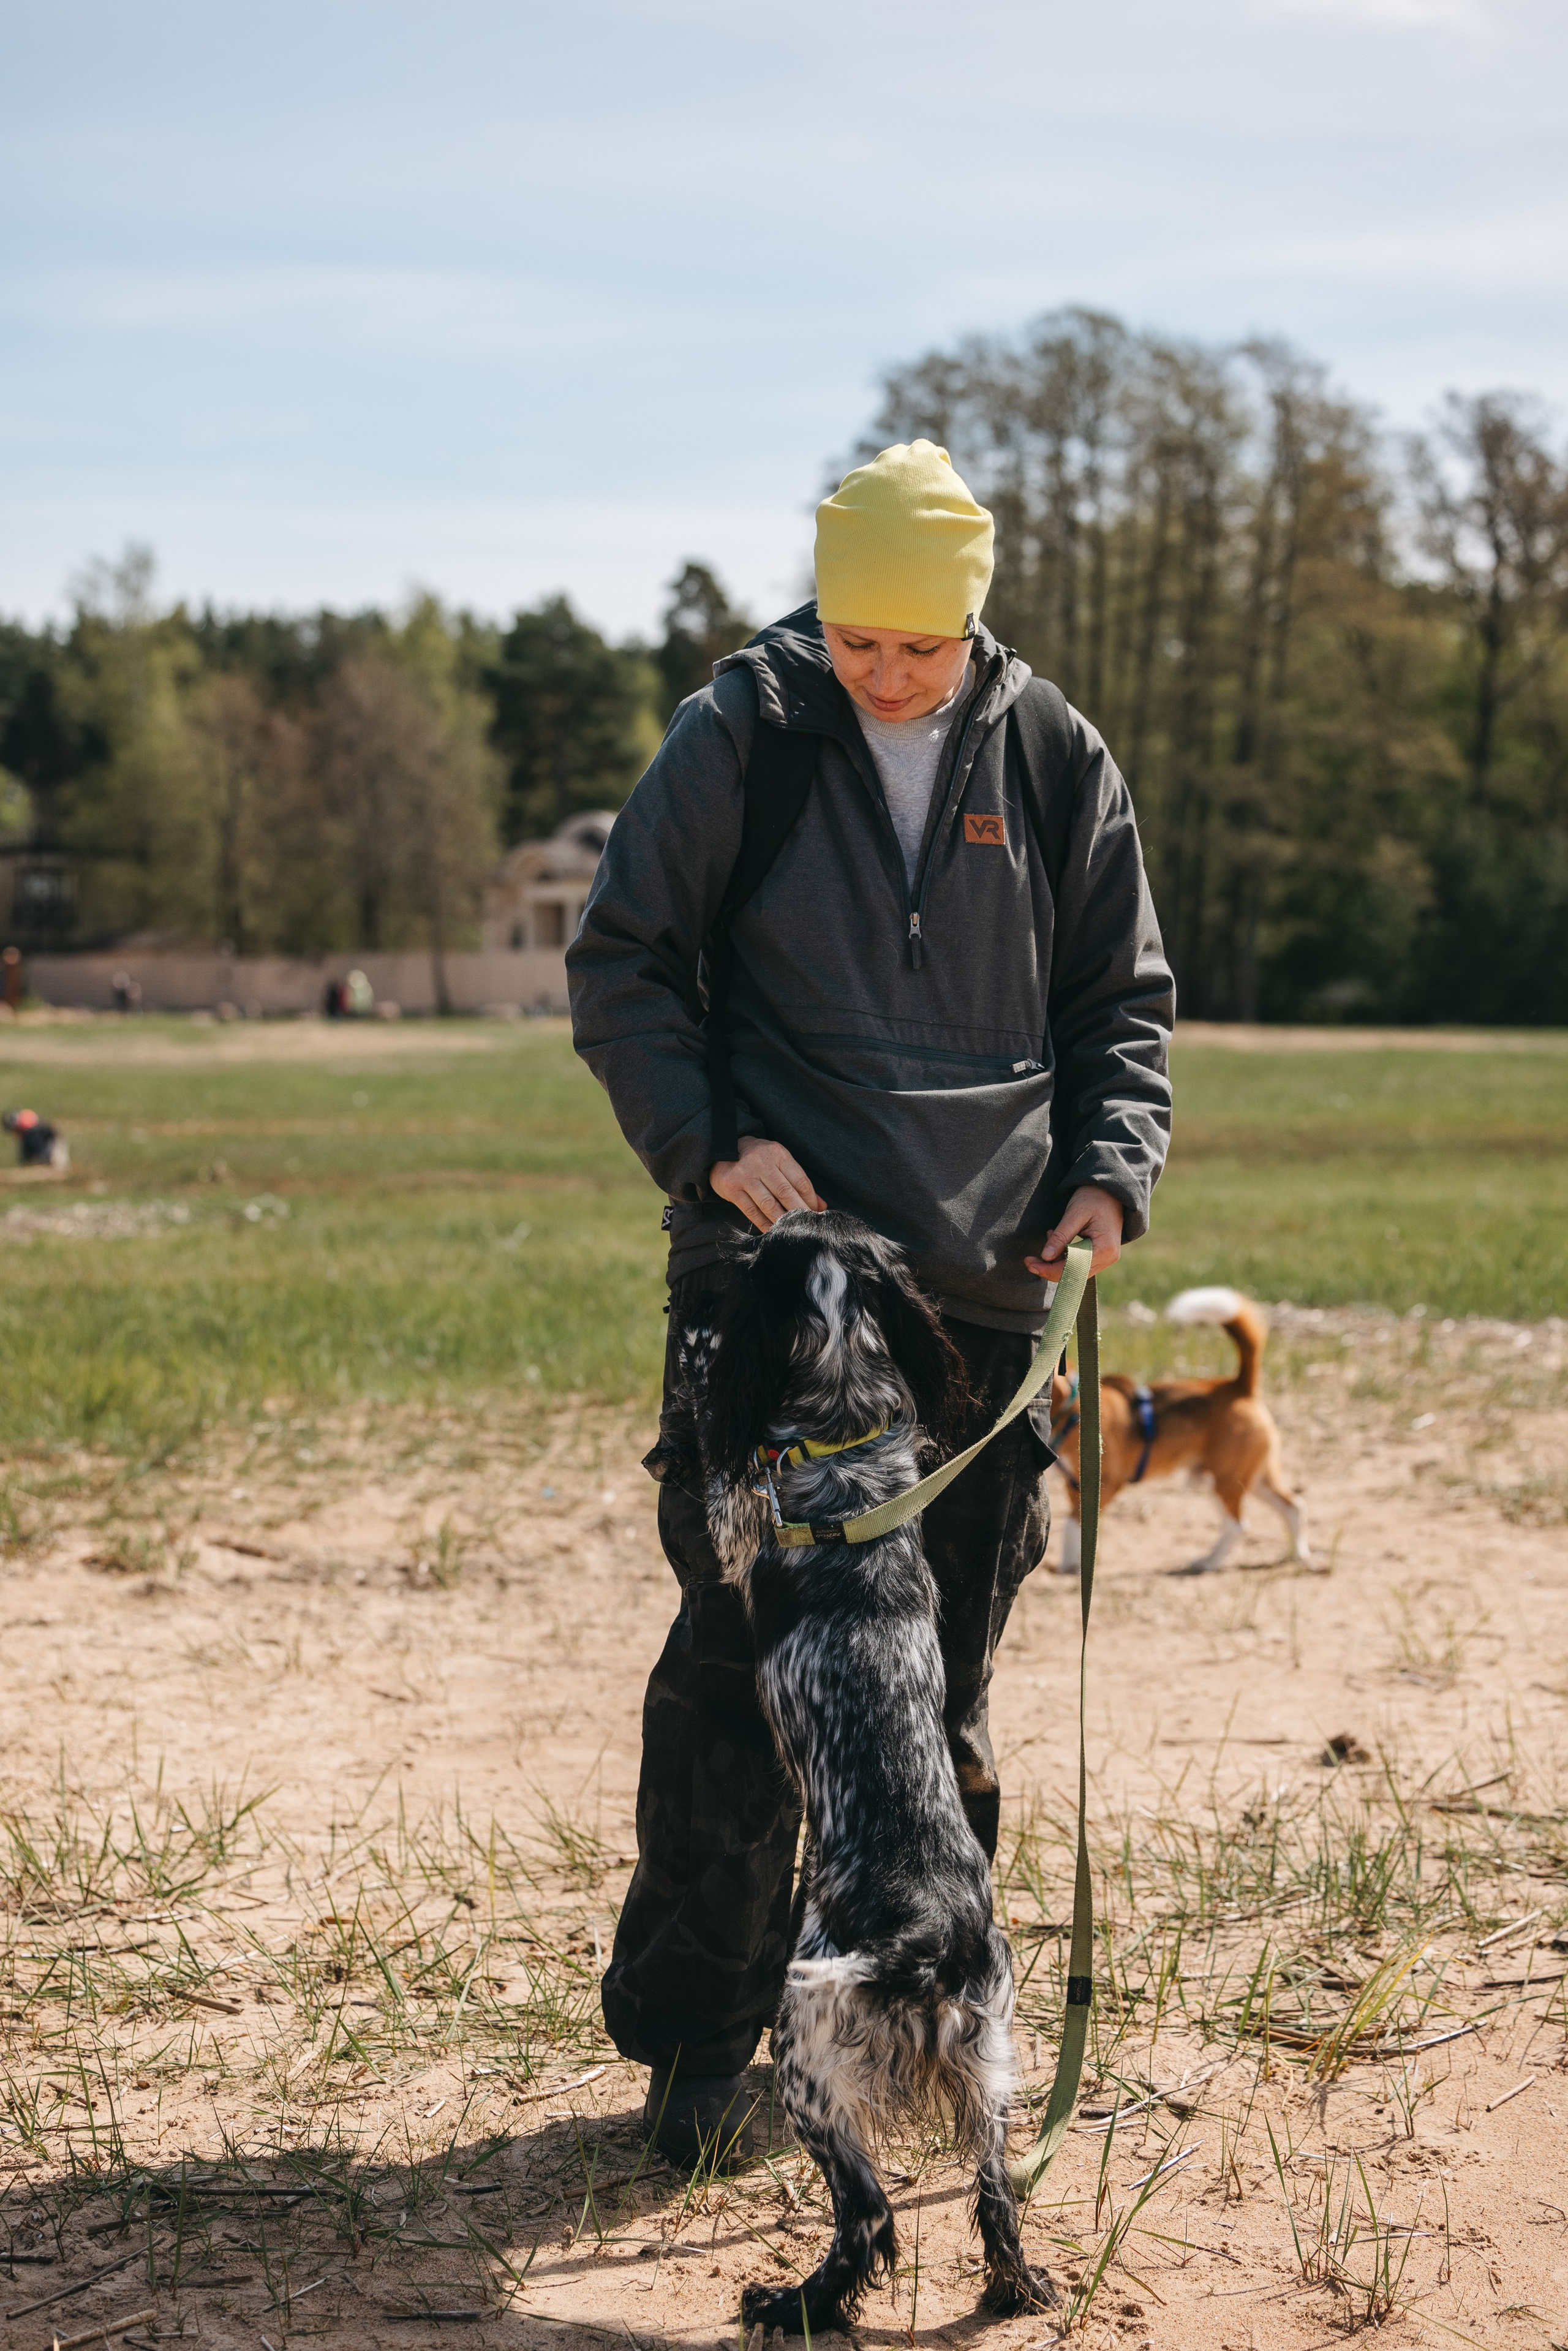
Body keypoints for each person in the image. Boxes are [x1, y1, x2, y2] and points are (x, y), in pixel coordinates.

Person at [567, 440, 1174, 2167]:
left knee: (936, 1704)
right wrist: (703, 1143)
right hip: (784, 1290)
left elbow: (1121, 997)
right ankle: (694, 2042)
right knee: (741, 1673)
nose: (883, 671)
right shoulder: (743, 731)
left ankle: (895, 2047)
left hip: (986, 1295)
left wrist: (1110, 1172)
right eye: (856, 635)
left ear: (972, 621)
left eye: (916, 644)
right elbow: (622, 959)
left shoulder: (1053, 754)